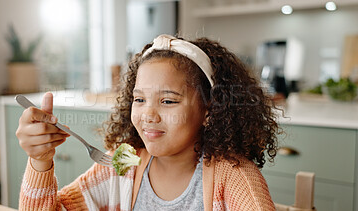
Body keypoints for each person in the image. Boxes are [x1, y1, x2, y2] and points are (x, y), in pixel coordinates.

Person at [16, 34, 279, 210]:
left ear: (209, 110)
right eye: (139, 100)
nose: (148, 115)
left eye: (167, 101)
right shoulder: (124, 163)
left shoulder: (234, 178)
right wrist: (41, 161)